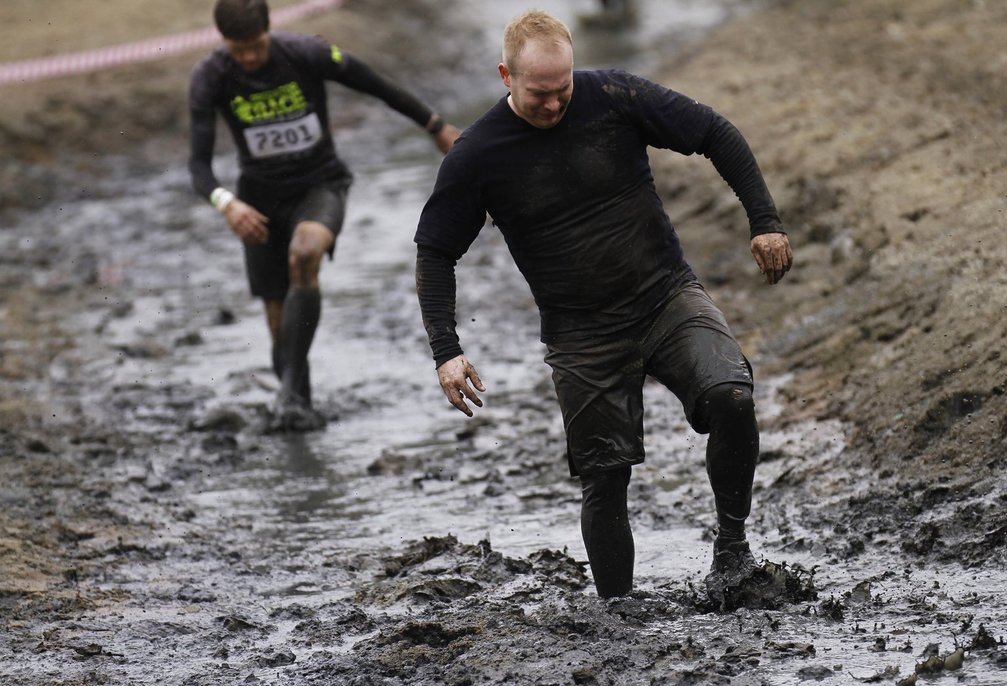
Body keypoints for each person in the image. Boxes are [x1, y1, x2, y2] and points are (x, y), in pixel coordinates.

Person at [413, 10, 792, 599]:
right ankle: (617, 611)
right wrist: (447, 350)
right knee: (605, 476)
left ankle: (732, 551)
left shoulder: (613, 94)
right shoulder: (478, 155)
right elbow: (436, 252)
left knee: (732, 396)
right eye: (539, 93)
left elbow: (714, 131)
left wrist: (764, 221)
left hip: (665, 296)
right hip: (581, 336)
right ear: (505, 76)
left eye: (563, 88)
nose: (554, 104)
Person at [189, 0, 459, 430]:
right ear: (223, 42)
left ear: (269, 29)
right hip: (256, 202)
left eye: (256, 46)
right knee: (280, 323)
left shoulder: (306, 53)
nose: (250, 58)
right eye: (239, 50)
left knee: (305, 253)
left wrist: (436, 127)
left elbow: (376, 85)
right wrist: (227, 203)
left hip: (320, 185)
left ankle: (288, 399)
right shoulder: (210, 76)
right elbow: (198, 166)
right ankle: (297, 406)